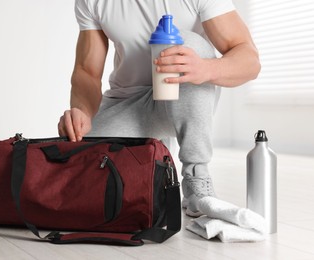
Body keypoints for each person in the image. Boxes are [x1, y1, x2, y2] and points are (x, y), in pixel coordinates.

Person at [58, 0, 260, 216]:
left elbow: (250, 61)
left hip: (183, 93)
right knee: (80, 175)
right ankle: (157, 164)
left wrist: (205, 69)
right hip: (129, 103)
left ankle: (196, 176)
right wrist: (83, 112)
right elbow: (87, 71)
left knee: (187, 42)